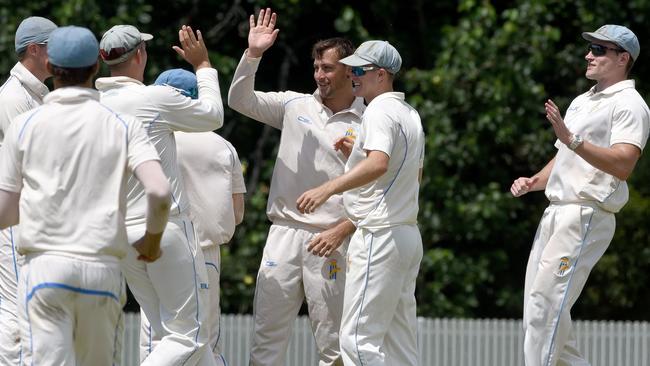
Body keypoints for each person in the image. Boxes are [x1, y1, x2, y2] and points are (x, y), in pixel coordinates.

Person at [0, 25, 170, 366]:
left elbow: (5, 211)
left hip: (44, 269)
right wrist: (152, 241)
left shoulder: (25, 125)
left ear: (52, 68)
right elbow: (159, 190)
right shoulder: (122, 124)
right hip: (101, 269)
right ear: (96, 67)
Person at [228, 8, 364, 366]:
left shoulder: (371, 119)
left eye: (328, 68)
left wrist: (344, 228)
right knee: (266, 341)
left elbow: (383, 189)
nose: (319, 75)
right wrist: (253, 54)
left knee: (334, 347)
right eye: (316, 67)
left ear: (350, 71)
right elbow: (240, 101)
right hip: (285, 233)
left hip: (333, 238)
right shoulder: (294, 104)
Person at [510, 24, 649, 366]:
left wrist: (572, 139)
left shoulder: (631, 104)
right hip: (557, 211)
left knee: (546, 307)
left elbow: (624, 164)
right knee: (538, 309)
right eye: (590, 48)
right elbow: (564, 157)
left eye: (599, 50)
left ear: (622, 58)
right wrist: (534, 180)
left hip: (587, 214)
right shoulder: (583, 100)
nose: (588, 55)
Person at [95, 25, 224, 366]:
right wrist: (203, 65)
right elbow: (214, 115)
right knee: (191, 334)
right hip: (164, 230)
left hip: (120, 234)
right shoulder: (153, 98)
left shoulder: (93, 106)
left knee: (171, 334)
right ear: (140, 55)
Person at [296, 40, 425, 366]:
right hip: (406, 235)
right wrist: (355, 156)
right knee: (399, 345)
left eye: (358, 69)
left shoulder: (378, 110)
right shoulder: (409, 113)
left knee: (355, 341)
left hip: (379, 236)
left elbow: (379, 164)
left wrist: (327, 188)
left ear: (381, 74)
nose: (351, 75)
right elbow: (412, 174)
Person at [139, 68, 246, 365]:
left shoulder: (154, 138)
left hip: (162, 243)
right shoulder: (225, 147)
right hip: (208, 250)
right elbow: (237, 213)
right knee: (207, 339)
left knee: (159, 337)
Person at [0, 15, 57, 365]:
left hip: (32, 216)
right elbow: (32, 165)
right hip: (15, 219)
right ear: (34, 49)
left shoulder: (36, 95)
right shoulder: (12, 98)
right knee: (14, 310)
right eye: (53, 47)